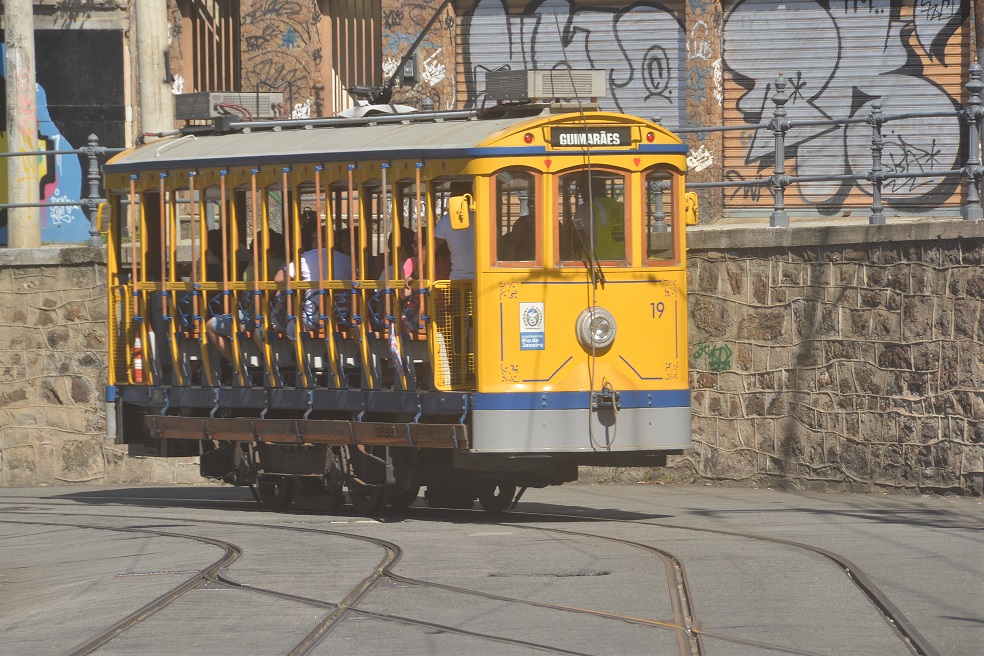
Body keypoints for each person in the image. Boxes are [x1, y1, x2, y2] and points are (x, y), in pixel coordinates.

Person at [573, 176, 624, 260]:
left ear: (588, 188)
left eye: (581, 188)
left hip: (593, 263)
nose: (580, 193)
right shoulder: (620, 207)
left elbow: (577, 242)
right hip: (621, 263)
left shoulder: (584, 209)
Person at [434, 181, 475, 280]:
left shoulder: (446, 220)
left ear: (453, 197)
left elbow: (430, 248)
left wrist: (415, 274)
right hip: (484, 278)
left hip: (458, 279)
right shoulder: (485, 217)